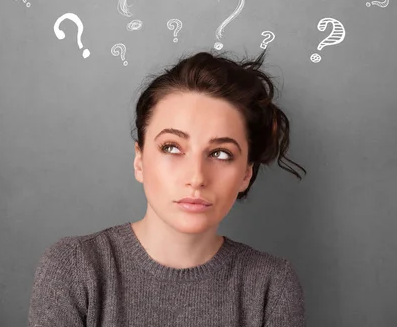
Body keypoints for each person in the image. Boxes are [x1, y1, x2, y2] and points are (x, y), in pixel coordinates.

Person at [27, 48, 307, 326]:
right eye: (172, 147)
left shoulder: (273, 287)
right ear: (139, 160)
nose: (196, 177)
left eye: (221, 153)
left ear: (247, 174)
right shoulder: (75, 267)